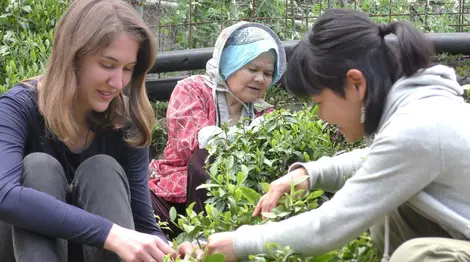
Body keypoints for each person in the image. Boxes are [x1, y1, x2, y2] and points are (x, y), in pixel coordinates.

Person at [203, 8, 470, 262]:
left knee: (416, 256)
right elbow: (378, 160)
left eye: (319, 102)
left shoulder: (420, 125)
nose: (320, 117)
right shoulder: (416, 110)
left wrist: (239, 242)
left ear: (356, 83)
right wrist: (307, 175)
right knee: (391, 217)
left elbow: (330, 226)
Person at [0, 0, 192, 261]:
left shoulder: (126, 122)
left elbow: (144, 225)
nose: (118, 83)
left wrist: (172, 250)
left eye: (128, 69)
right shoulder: (17, 108)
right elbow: (5, 196)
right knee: (39, 166)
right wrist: (109, 233)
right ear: (73, 56)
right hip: (22, 250)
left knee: (102, 169)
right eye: (107, 64)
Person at [148, 21, 287, 235]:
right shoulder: (192, 90)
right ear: (230, 63)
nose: (260, 78)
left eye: (268, 73)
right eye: (252, 69)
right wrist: (250, 135)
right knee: (205, 159)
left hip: (234, 210)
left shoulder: (265, 114)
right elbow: (189, 145)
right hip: (174, 203)